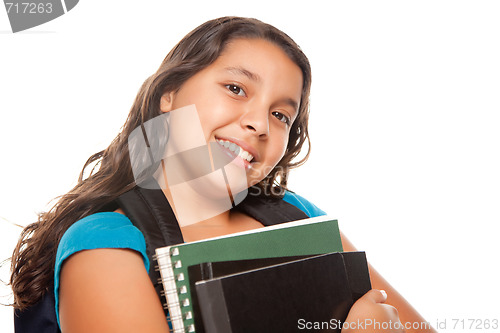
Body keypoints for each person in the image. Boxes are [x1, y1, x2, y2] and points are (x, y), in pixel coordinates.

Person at [10, 16, 435, 332]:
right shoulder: (104, 243)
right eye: (236, 88)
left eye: (281, 114)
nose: (260, 123)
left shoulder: (299, 217)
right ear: (168, 94)